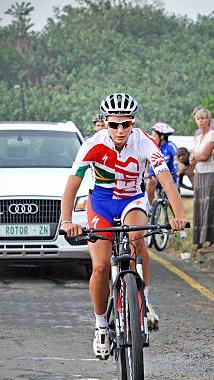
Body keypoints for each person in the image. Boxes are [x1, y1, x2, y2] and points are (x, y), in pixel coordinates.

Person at [60, 93, 188, 359]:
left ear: (133, 123)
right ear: (105, 123)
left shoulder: (144, 142)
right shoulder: (92, 145)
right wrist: (68, 220)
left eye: (126, 124)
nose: (120, 130)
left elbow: (165, 180)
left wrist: (179, 216)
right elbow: (72, 185)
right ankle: (101, 327)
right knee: (100, 266)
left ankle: (144, 301)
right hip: (102, 203)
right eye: (114, 124)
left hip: (132, 199)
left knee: (137, 239)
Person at [191, 107, 214, 253]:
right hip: (200, 172)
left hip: (211, 172)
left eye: (203, 118)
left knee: (211, 205)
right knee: (200, 205)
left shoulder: (212, 135)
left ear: (209, 120)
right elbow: (193, 158)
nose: (201, 121)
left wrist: (196, 156)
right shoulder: (198, 137)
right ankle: (201, 239)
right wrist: (197, 156)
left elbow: (203, 156)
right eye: (198, 118)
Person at [145, 122, 178, 205]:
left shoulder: (170, 146)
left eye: (154, 136)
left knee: (172, 201)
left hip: (169, 176)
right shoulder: (152, 146)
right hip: (155, 177)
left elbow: (176, 158)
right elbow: (147, 160)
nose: (153, 138)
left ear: (162, 137)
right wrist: (146, 172)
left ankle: (176, 215)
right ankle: (149, 206)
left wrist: (178, 170)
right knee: (151, 183)